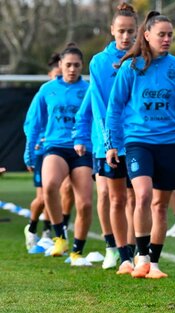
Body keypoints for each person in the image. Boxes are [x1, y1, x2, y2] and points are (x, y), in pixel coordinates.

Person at [106, 11, 175, 279]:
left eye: (170, 35)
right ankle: (139, 256)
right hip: (138, 141)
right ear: (147, 35)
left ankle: (153, 263)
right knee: (142, 195)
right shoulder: (132, 67)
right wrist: (112, 143)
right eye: (161, 34)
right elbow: (114, 107)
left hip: (168, 143)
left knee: (160, 206)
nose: (166, 39)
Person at [79, 2, 138, 273]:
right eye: (121, 31)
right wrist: (108, 139)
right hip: (108, 142)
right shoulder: (100, 62)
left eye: (130, 32)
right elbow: (100, 105)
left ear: (138, 32)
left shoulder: (142, 59)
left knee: (135, 198)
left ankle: (134, 250)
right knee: (110, 197)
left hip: (137, 139)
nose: (126, 37)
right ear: (112, 31)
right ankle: (115, 249)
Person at [24, 43, 93, 266]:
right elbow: (34, 122)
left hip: (81, 149)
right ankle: (59, 236)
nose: (72, 69)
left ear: (82, 66)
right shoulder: (47, 90)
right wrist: (29, 149)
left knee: (84, 204)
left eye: (77, 65)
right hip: (55, 146)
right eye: (68, 65)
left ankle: (76, 252)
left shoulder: (89, 89)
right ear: (60, 65)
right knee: (50, 186)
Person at [23, 52, 61, 252]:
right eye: (56, 74)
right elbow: (31, 124)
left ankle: (49, 231)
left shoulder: (72, 92)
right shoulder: (44, 93)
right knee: (45, 195)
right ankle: (33, 228)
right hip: (42, 150)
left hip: (64, 149)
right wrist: (33, 146)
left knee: (66, 193)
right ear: (50, 75)